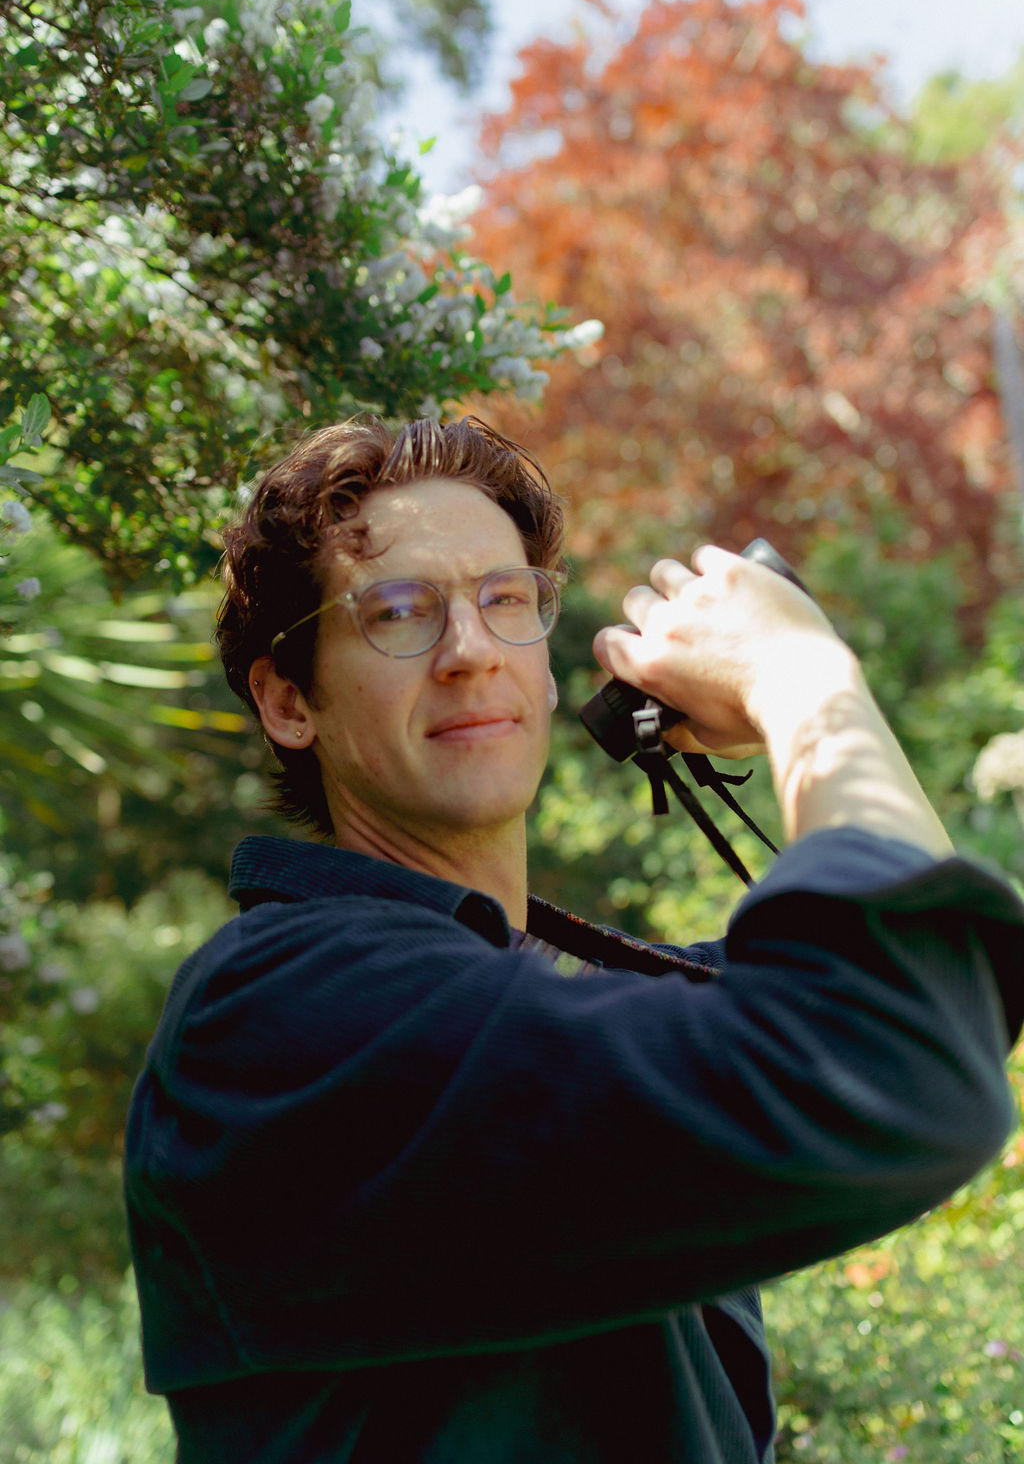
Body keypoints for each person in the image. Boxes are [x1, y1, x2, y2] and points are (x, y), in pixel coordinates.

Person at [125, 414, 1023, 1463]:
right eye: (398, 613)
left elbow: (944, 1001)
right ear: (288, 702)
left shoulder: (524, 1000)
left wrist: (818, 693)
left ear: (549, 669)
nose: (468, 653)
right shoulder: (283, 1009)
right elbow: (898, 1054)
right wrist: (800, 681)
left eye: (505, 602)